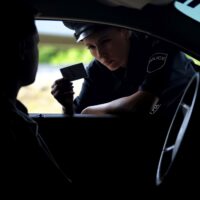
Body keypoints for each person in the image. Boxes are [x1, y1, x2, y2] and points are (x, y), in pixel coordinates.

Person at [51, 21, 195, 118]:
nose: (100, 55)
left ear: (125, 31)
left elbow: (143, 104)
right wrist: (67, 106)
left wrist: (90, 111)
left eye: (106, 41)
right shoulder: (96, 69)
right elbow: (78, 118)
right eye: (91, 47)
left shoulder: (158, 48)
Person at [1, 3, 71, 197]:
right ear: (23, 49)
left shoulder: (15, 111)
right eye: (36, 43)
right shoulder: (10, 124)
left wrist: (68, 109)